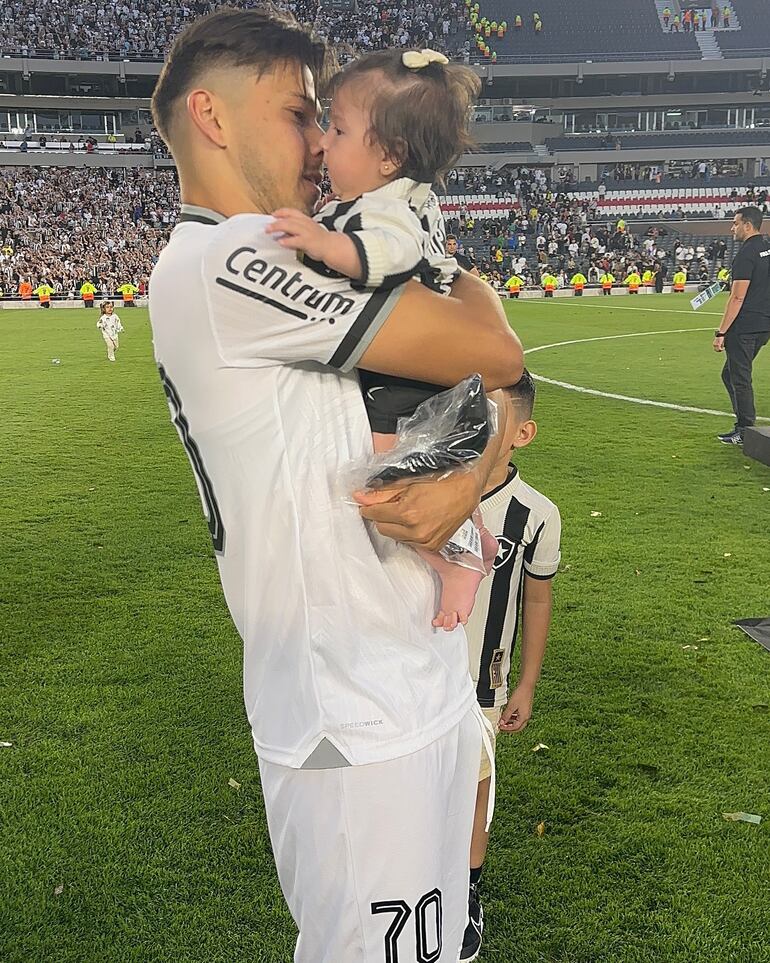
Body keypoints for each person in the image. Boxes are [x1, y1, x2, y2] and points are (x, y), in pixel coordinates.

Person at [147, 9, 523, 963]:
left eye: (326, 119)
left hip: (413, 668)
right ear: (213, 117)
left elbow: (509, 390)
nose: (320, 140)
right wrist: (484, 387)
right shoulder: (223, 261)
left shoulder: (297, 248)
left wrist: (473, 471)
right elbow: (492, 345)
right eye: (296, 113)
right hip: (350, 710)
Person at [267, 47, 498, 631]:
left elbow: (391, 253)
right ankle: (467, 542)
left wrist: (324, 246)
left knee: (385, 480)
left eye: (339, 129)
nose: (322, 142)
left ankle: (460, 558)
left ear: (390, 157)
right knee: (391, 475)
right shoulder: (381, 197)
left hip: (405, 377)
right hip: (413, 366)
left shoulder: (389, 210)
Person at [459, 371, 561, 962]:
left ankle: (467, 894)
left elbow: (537, 598)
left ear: (522, 433)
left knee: (475, 792)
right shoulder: (429, 487)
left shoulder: (535, 513)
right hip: (410, 675)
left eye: (490, 415)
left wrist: (525, 681)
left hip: (481, 683)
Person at [714, 207, 770, 445]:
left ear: (748, 225)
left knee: (739, 377)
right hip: (763, 324)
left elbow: (737, 298)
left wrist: (721, 331)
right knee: (730, 374)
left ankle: (745, 431)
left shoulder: (746, 254)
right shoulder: (766, 248)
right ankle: (744, 426)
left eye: (735, 223)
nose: (732, 228)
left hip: (745, 326)